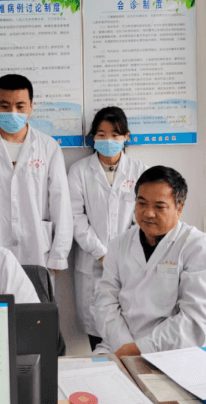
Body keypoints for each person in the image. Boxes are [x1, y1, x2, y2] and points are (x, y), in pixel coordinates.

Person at [94, 166, 206, 356]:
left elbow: (197, 321)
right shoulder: (118, 244)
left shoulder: (199, 247)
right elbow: (105, 303)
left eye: (159, 206)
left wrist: (141, 349)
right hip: (121, 345)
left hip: (181, 350)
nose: (148, 213)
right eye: (142, 203)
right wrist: (125, 346)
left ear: (179, 208)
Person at [0, 74, 73, 302]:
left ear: (31, 106)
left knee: (37, 313)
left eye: (20, 106)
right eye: (5, 106)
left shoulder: (48, 147)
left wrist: (58, 255)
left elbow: (61, 203)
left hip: (38, 251)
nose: (13, 112)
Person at [68, 106, 147, 351]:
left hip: (130, 261)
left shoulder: (139, 170)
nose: (108, 140)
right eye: (101, 134)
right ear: (93, 137)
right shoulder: (80, 171)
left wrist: (121, 254)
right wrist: (101, 253)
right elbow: (75, 217)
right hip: (92, 262)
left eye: (115, 134)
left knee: (130, 328)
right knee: (97, 327)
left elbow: (142, 216)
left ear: (126, 137)